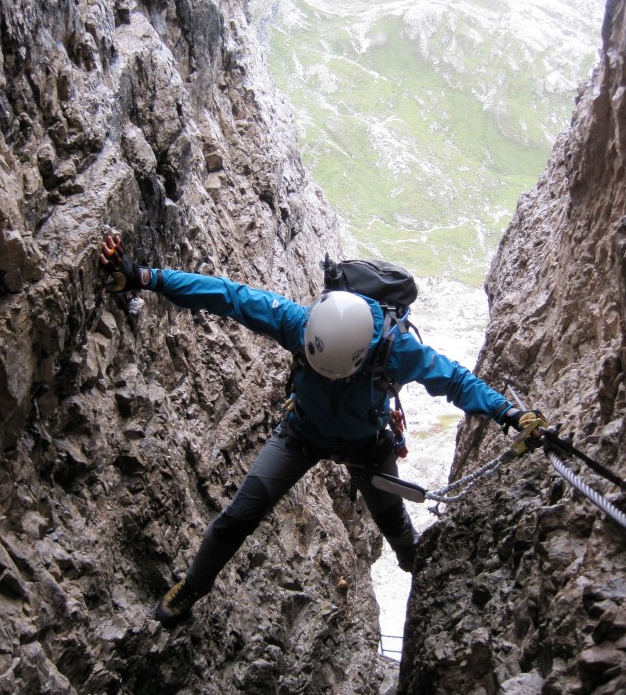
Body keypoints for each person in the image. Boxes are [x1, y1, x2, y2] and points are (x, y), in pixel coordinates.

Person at [100, 234, 528, 629]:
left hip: (362, 442)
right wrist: (144, 276)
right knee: (239, 515)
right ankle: (193, 585)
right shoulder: (297, 322)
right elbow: (225, 295)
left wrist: (508, 413)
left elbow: (456, 381)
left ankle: (418, 573)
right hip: (303, 433)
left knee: (394, 524)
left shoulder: (396, 349)